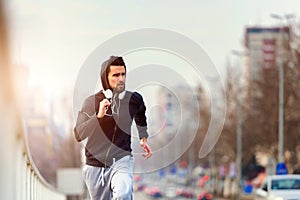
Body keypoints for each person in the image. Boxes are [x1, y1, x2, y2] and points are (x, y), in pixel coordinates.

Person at [74, 56, 152, 200]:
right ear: (105, 78)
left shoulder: (134, 100)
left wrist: (143, 137)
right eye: (116, 75)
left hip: (122, 160)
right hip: (95, 165)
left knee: (123, 194)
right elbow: (78, 134)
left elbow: (140, 115)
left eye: (123, 74)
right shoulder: (91, 102)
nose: (121, 79)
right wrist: (98, 117)